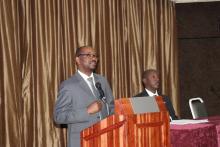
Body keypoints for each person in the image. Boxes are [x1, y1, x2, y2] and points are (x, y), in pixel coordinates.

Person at [54, 46, 114, 147]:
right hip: (82, 141)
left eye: (95, 55)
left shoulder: (102, 81)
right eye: (88, 55)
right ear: (77, 60)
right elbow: (59, 116)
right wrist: (87, 111)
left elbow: (112, 107)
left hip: (105, 140)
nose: (93, 58)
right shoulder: (68, 85)